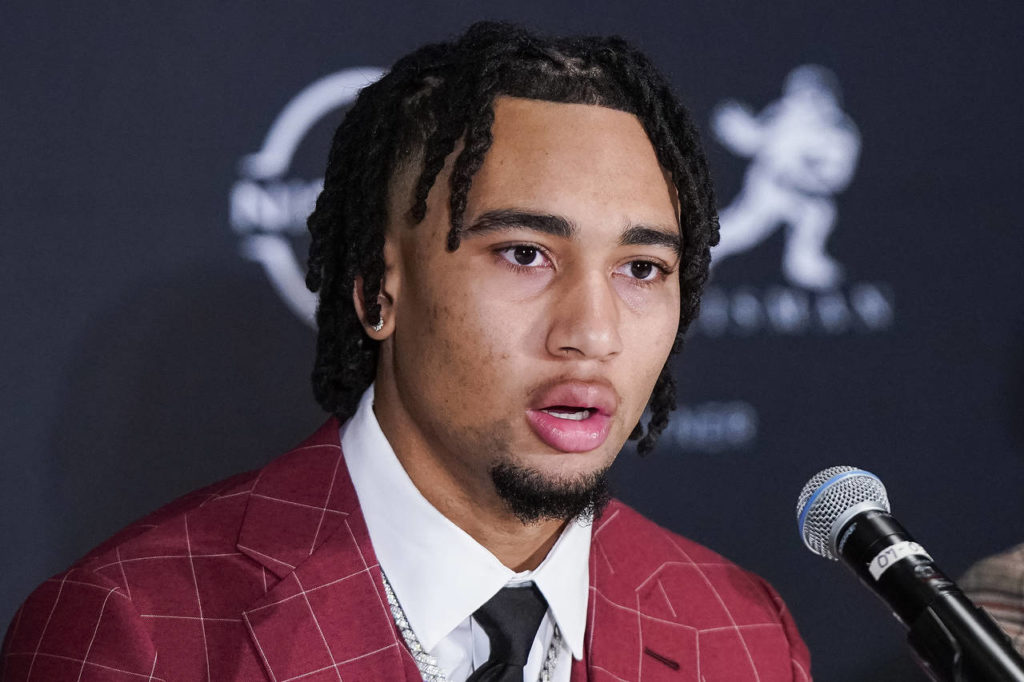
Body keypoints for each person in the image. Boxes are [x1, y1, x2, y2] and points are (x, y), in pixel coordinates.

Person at [1, 22, 811, 681]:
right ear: (375, 291)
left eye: (641, 269)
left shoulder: (742, 636)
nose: (594, 333)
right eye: (525, 254)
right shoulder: (137, 636)